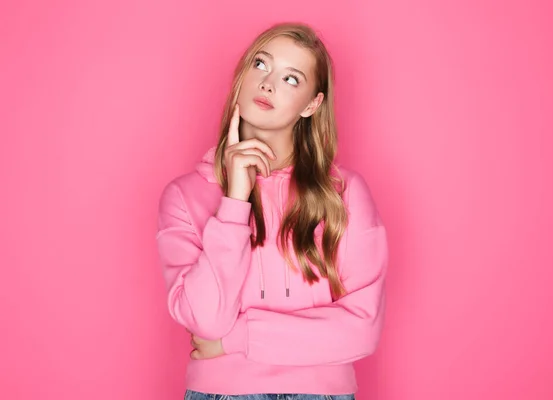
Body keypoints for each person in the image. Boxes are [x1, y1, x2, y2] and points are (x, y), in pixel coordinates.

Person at [156, 22, 388, 400]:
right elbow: (206, 320)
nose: (268, 84)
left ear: (312, 104)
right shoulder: (185, 195)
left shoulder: (343, 194)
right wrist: (234, 202)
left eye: (291, 79)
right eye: (260, 65)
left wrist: (236, 339)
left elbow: (362, 328)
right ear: (242, 77)